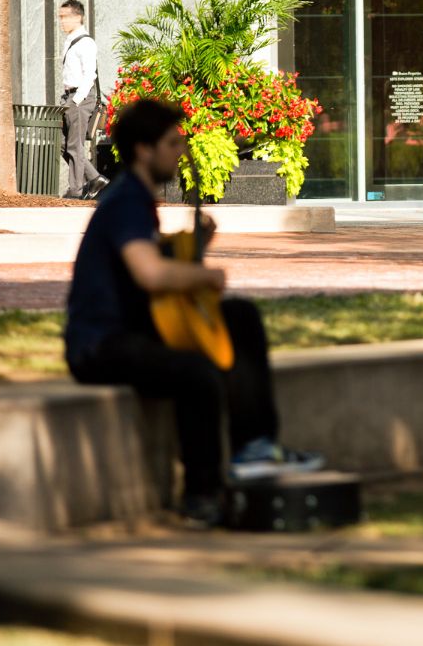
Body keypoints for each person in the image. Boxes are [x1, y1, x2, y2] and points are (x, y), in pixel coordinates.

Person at [64, 98, 325, 529]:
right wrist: (206, 275)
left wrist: (194, 246)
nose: (180, 151)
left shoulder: (137, 199)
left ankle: (255, 448)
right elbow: (149, 273)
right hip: (101, 344)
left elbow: (150, 261)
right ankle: (200, 497)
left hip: (135, 328)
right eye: (172, 143)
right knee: (197, 374)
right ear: (144, 149)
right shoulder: (126, 200)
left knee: (239, 317)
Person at [58, 0, 107, 199]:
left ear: (78, 17)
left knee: (75, 144)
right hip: (70, 97)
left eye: (65, 17)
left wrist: (76, 100)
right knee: (62, 142)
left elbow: (90, 75)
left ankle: (76, 190)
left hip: (80, 97)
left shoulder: (86, 43)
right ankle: (94, 178)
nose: (62, 21)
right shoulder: (70, 41)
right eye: (60, 17)